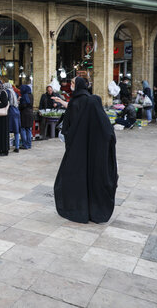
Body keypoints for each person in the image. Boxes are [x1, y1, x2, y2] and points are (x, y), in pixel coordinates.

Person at [54, 77, 118, 224]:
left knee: (75, 177)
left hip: (77, 147)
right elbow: (107, 131)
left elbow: (68, 127)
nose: (70, 85)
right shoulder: (92, 101)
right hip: (93, 149)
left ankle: (77, 207)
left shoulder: (77, 102)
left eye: (72, 83)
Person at [4, 82, 21, 153]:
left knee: (7, 130)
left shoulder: (6, 92)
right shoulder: (14, 92)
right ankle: (17, 146)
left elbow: (5, 102)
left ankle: (7, 146)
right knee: (16, 131)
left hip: (10, 112)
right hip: (16, 111)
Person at [19, 85, 33, 150]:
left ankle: (25, 145)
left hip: (24, 114)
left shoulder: (24, 96)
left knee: (23, 129)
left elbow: (23, 105)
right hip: (30, 114)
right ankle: (29, 144)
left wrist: (19, 104)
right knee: (28, 129)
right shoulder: (31, 95)